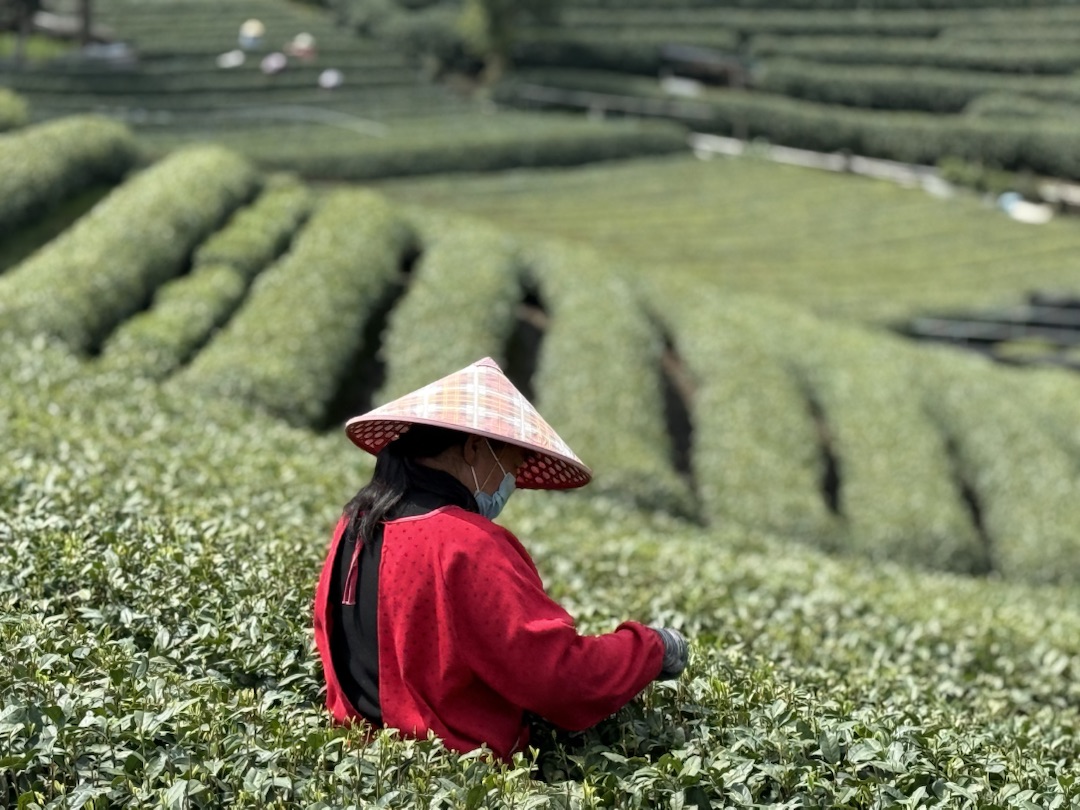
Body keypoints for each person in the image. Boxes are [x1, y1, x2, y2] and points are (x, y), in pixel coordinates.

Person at [313, 357, 689, 761]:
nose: (511, 484)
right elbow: (558, 678)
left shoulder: (356, 522)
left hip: (360, 763)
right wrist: (650, 647)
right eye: (511, 464)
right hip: (452, 778)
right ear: (475, 448)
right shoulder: (465, 543)